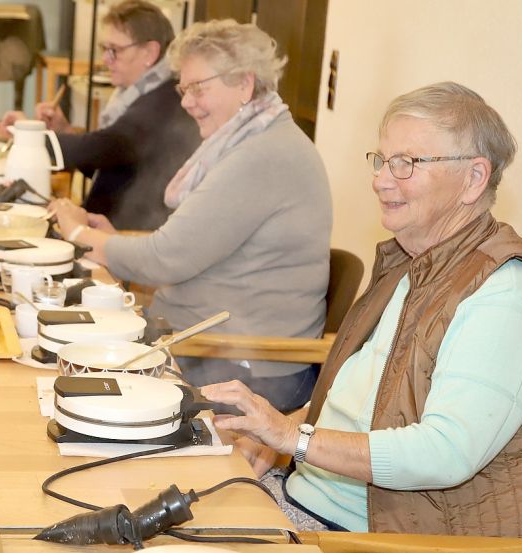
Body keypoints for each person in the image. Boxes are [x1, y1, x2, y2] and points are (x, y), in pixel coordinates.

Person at [201, 82, 522, 537]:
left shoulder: (507, 293)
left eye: (407, 163)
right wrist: (276, 431)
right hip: (301, 494)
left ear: (473, 178)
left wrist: (293, 439)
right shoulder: (415, 261)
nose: (381, 179)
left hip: (362, 535)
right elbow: (367, 404)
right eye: (382, 160)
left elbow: (445, 453)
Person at [51, 19, 331, 411]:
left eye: (199, 88)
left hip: (244, 368)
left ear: (245, 85)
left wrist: (81, 233)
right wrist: (116, 239)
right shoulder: (252, 138)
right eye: (184, 89)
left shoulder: (260, 155)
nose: (186, 102)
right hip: (206, 346)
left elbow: (164, 260)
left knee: (69, 387)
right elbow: (186, 246)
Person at [1, 0, 198, 231]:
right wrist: (64, 131)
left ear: (150, 52)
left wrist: (30, 135)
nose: (106, 59)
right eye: (104, 49)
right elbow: (109, 160)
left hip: (127, 235)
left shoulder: (164, 99)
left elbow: (106, 145)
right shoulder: (142, 92)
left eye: (115, 50)